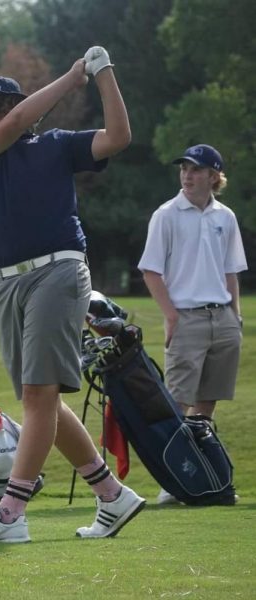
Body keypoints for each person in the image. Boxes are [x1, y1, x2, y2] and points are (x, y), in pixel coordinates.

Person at [0, 46, 145, 543]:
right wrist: (71, 76)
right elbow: (11, 127)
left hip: (58, 272)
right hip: (6, 284)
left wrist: (102, 75)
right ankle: (112, 495)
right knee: (43, 402)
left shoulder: (55, 144)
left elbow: (119, 137)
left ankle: (11, 514)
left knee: (39, 394)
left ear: (8, 103)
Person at [137, 143, 246, 505]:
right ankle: (175, 479)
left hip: (223, 318)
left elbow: (231, 270)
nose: (187, 174)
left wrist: (236, 314)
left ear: (214, 176)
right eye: (184, 168)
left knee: (207, 404)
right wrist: (171, 316)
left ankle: (201, 476)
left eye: (196, 169)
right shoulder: (166, 214)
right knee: (178, 404)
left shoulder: (225, 217)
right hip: (187, 317)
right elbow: (151, 270)